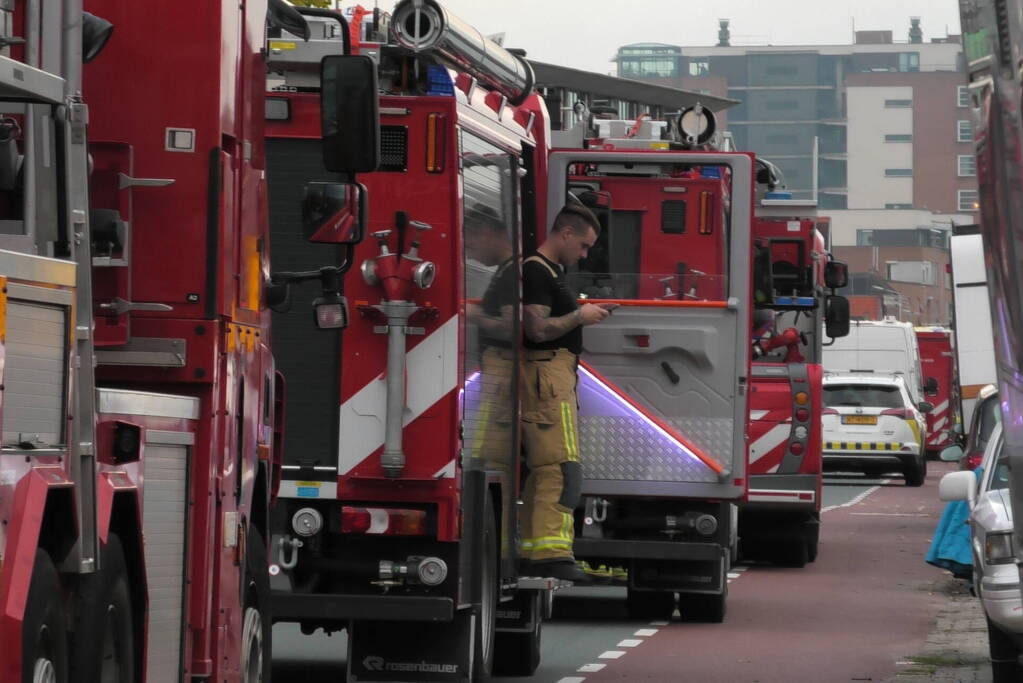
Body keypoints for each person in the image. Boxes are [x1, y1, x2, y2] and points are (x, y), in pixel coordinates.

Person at [519, 201, 615, 582]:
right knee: (560, 468)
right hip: (547, 375)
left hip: (556, 374)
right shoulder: (537, 270)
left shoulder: (548, 271)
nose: (585, 254)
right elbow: (536, 330)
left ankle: (534, 550)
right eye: (584, 246)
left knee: (546, 468)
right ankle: (553, 553)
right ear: (566, 233)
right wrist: (580, 315)